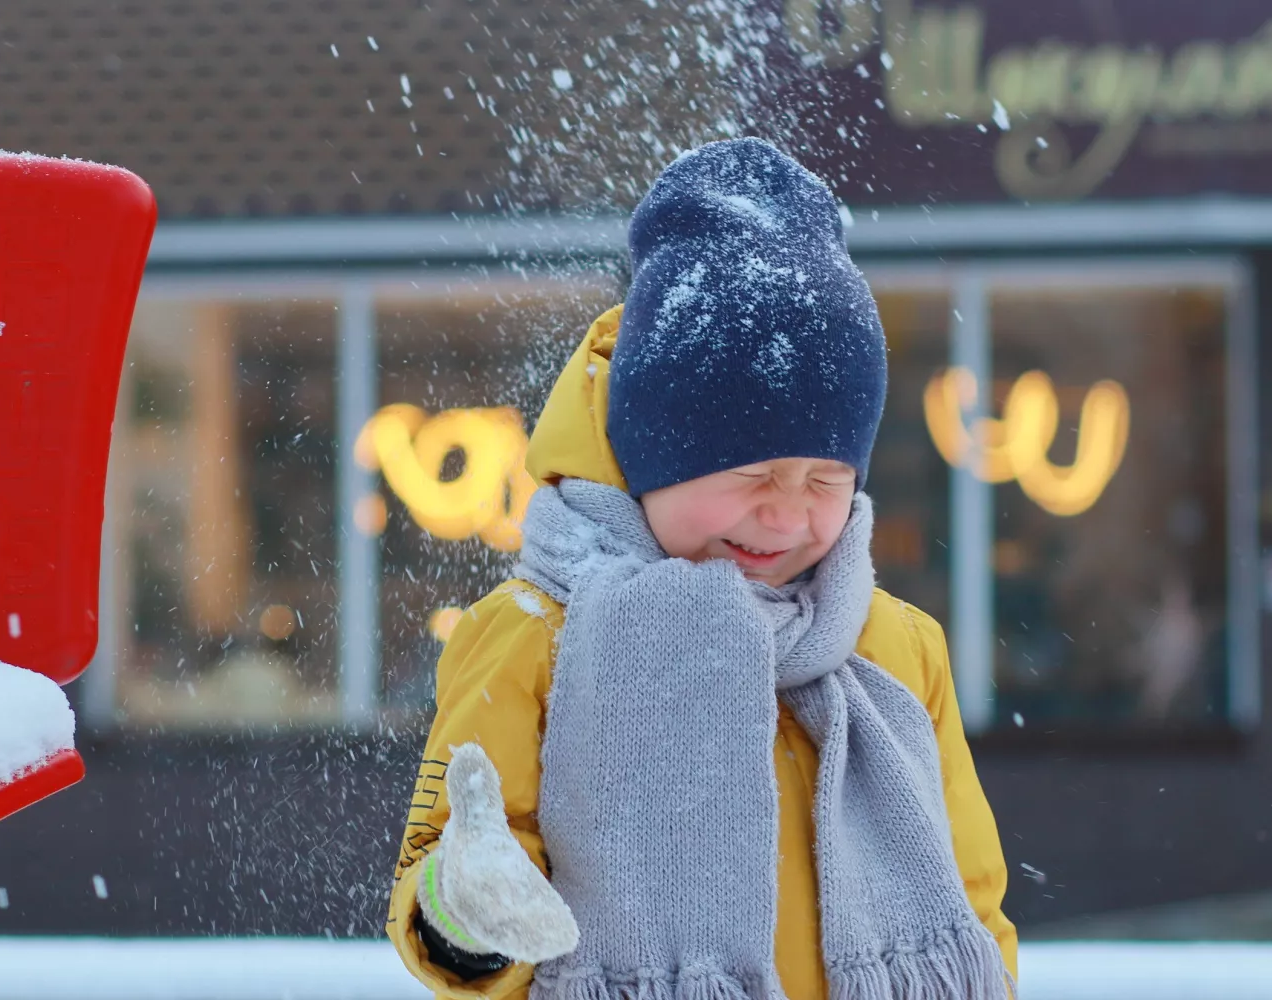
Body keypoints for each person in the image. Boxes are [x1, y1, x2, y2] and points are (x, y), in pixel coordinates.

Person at [386, 137, 1016, 1000]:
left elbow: (970, 903)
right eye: (752, 477)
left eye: (825, 481)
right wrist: (469, 910)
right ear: (654, 461)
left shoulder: (893, 647)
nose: (788, 513)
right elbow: (447, 876)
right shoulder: (536, 635)